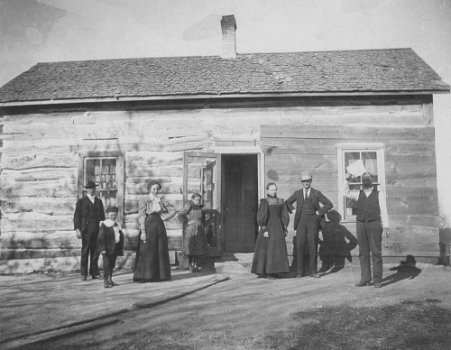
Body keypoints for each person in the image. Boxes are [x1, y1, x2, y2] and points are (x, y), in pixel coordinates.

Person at [344, 171, 390, 288]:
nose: (366, 181)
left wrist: (386, 227)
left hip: (374, 224)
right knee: (363, 252)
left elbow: (384, 211)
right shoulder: (358, 194)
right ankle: (365, 279)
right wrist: (347, 180)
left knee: (376, 252)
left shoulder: (379, 194)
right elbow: (345, 192)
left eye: (368, 179)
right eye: (364, 179)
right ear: (362, 181)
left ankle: (377, 280)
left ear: (372, 181)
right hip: (361, 224)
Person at [286, 171, 333, 278]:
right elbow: (287, 203)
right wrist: (293, 211)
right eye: (304, 181)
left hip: (313, 221)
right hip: (301, 221)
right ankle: (300, 272)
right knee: (300, 245)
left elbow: (329, 204)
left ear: (311, 181)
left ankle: (313, 271)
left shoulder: (316, 193)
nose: (306, 183)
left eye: (308, 181)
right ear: (301, 182)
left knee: (312, 246)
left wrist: (319, 212)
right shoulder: (297, 193)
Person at [133, 180, 176, 282]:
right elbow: (142, 215)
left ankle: (160, 276)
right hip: (148, 224)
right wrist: (143, 231)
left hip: (159, 225)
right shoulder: (145, 200)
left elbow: (173, 210)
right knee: (147, 249)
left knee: (159, 248)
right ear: (149, 189)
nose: (156, 191)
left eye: (157, 189)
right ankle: (144, 276)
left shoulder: (160, 200)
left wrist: (165, 218)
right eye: (154, 189)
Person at [251, 183, 290, 279]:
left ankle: (276, 271)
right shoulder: (265, 202)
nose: (274, 191)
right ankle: (267, 272)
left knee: (277, 250)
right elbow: (261, 216)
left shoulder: (281, 201)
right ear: (267, 191)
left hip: (278, 228)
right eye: (272, 190)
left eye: (275, 189)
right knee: (268, 250)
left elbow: (284, 215)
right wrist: (264, 229)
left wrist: (285, 227)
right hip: (268, 228)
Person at [74, 180, 105, 281]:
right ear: (86, 189)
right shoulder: (81, 201)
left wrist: (103, 229)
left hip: (97, 229)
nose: (92, 190)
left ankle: (94, 272)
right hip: (86, 230)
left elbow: (102, 217)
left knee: (95, 251)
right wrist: (77, 229)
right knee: (85, 251)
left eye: (93, 188)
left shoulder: (99, 201)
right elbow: (77, 216)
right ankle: (83, 273)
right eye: (90, 188)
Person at [178, 193, 209, 272]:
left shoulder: (201, 208)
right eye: (197, 200)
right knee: (190, 247)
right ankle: (190, 265)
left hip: (199, 229)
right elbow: (180, 215)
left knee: (198, 247)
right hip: (191, 229)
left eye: (199, 200)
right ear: (192, 199)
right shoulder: (189, 206)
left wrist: (204, 227)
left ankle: (197, 265)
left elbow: (203, 219)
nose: (198, 201)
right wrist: (186, 222)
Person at [97, 206, 124, 288]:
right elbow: (101, 237)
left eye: (115, 215)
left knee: (112, 264)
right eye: (111, 215)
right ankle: (106, 281)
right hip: (107, 248)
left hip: (114, 247)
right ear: (108, 215)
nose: (113, 217)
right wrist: (103, 248)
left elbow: (119, 235)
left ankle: (110, 279)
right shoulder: (104, 224)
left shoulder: (117, 224)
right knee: (106, 264)